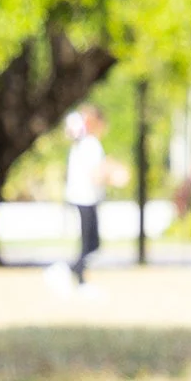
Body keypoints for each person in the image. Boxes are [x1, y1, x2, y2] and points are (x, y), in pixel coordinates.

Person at [61, 107, 115, 285]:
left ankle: (79, 273)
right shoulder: (91, 144)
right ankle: (71, 272)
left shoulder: (83, 144)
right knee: (89, 243)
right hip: (85, 197)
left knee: (91, 243)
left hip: (83, 197)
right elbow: (96, 174)